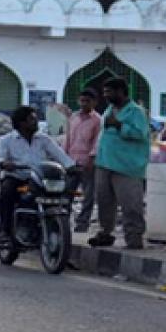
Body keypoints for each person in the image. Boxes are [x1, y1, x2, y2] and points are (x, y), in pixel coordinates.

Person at [0, 106, 75, 241]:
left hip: (39, 178)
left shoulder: (44, 139)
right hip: (17, 178)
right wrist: (4, 164)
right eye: (32, 119)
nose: (36, 122)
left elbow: (60, 155)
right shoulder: (6, 140)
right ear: (21, 123)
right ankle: (5, 231)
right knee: (7, 192)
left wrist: (72, 166)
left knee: (59, 195)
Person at [89, 78, 151, 250]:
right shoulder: (109, 109)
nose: (106, 95)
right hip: (105, 163)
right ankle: (105, 233)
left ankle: (134, 238)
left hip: (127, 166)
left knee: (130, 204)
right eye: (105, 92)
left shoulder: (135, 112)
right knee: (104, 202)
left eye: (109, 92)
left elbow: (141, 134)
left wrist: (118, 125)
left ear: (121, 92)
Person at [60, 89, 102, 232]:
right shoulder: (74, 118)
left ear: (94, 102)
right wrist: (63, 158)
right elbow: (68, 139)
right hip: (71, 161)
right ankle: (63, 221)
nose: (84, 104)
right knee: (66, 192)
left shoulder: (97, 120)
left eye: (88, 101)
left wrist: (92, 159)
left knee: (88, 195)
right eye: (82, 101)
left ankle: (82, 223)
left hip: (87, 162)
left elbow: (97, 142)